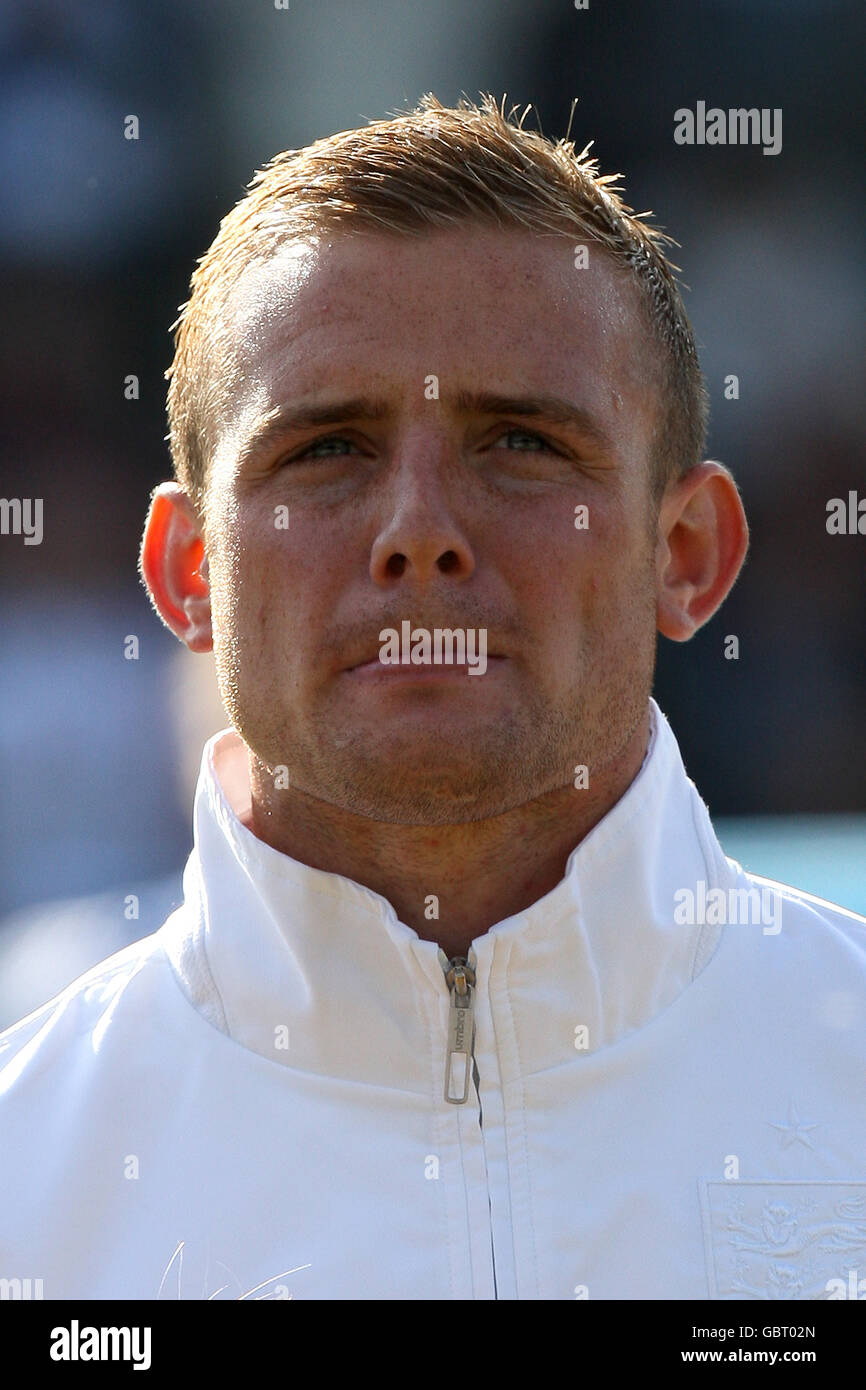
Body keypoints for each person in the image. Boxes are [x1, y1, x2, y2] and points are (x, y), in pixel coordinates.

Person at [1, 93, 864, 1302]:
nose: (418, 533)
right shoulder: (24, 1185)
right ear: (189, 571)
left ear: (686, 552)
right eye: (327, 450)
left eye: (518, 443)